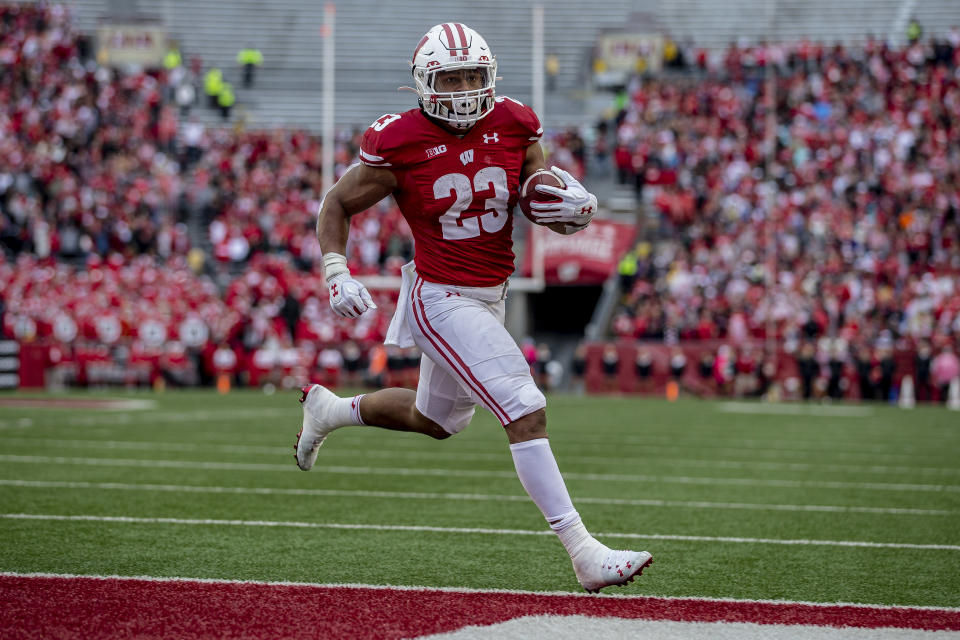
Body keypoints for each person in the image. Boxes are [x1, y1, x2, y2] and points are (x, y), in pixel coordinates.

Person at [295, 23, 651, 593]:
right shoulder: (399, 139)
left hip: (490, 292)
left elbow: (537, 195)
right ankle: (583, 552)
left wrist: (569, 209)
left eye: (471, 76)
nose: (462, 88)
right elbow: (337, 201)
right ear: (423, 83)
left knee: (436, 421)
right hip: (439, 293)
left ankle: (330, 412)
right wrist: (336, 268)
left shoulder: (515, 122)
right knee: (524, 404)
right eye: (450, 77)